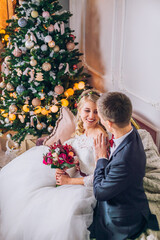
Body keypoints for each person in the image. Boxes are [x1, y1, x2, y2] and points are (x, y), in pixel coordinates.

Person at [0, 89, 107, 240]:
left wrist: (69, 181)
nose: (91, 116)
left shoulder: (100, 136)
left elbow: (99, 176)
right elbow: (77, 160)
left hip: (85, 185)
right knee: (30, 185)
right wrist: (62, 168)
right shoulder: (82, 131)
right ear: (80, 110)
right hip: (71, 177)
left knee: (60, 211)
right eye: (87, 110)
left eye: (96, 112)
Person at [88, 92, 159, 240]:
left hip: (121, 222)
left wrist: (101, 158)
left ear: (109, 124)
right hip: (132, 198)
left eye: (100, 118)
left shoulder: (125, 160)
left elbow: (100, 193)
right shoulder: (133, 133)